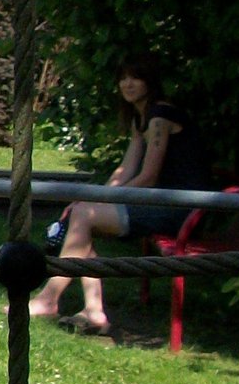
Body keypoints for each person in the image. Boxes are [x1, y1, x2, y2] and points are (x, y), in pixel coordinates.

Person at [27, 54, 211, 338]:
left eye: (135, 77)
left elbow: (148, 176)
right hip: (162, 203)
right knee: (82, 213)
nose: (128, 84)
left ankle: (51, 298)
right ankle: (91, 309)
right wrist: (96, 197)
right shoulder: (143, 118)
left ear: (150, 81)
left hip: (181, 210)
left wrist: (99, 202)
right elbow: (125, 171)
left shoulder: (160, 117)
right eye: (123, 78)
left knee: (84, 216)